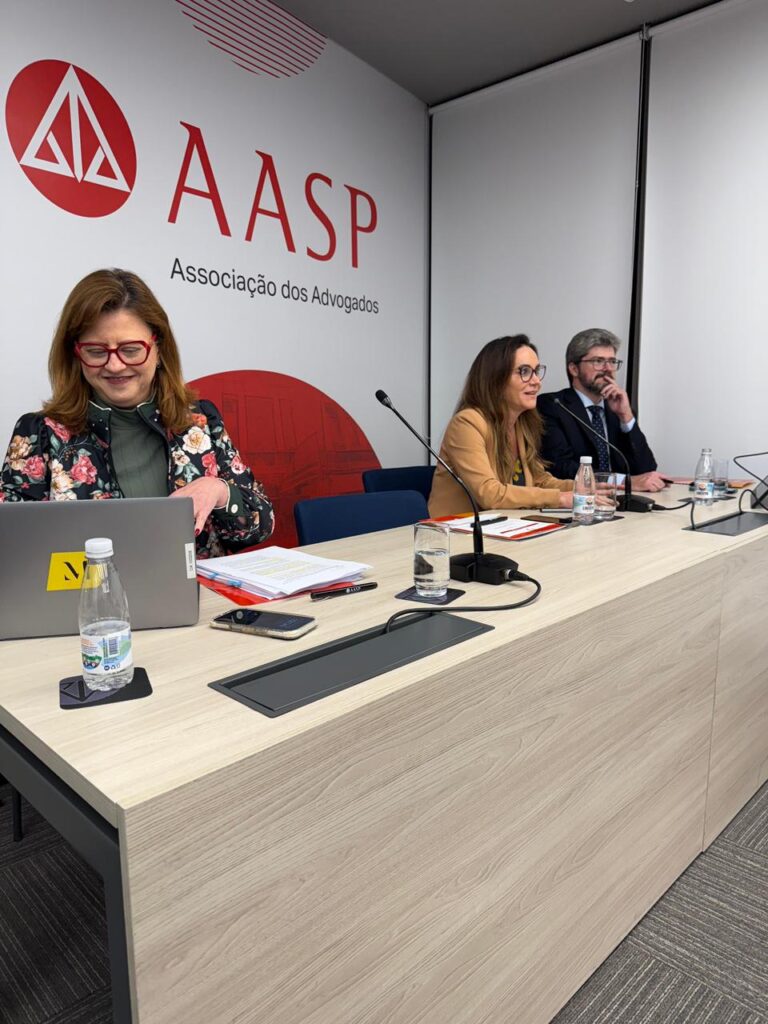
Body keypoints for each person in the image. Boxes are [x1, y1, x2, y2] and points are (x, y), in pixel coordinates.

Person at [0, 269, 274, 557]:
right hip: (86, 588)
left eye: (131, 350)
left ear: (159, 349)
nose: (115, 365)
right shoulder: (39, 432)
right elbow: (11, 548)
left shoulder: (200, 421)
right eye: (96, 351)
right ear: (75, 355)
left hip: (197, 587)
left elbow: (261, 525)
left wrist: (219, 492)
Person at [428, 335, 574, 516]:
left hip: (504, 524)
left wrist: (584, 488)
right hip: (456, 527)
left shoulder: (521, 424)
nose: (536, 381)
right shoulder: (467, 423)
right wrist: (560, 499)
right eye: (524, 371)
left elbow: (539, 480)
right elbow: (489, 494)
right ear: (496, 378)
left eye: (536, 371)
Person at [538, 328, 667, 492]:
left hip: (622, 500)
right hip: (579, 500)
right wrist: (623, 481)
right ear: (574, 369)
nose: (608, 368)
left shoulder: (618, 410)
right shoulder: (553, 405)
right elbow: (560, 467)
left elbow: (647, 469)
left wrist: (626, 417)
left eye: (612, 361)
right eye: (598, 361)